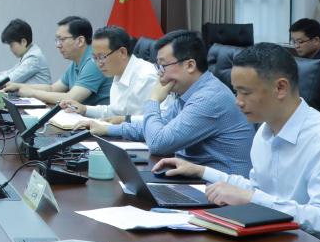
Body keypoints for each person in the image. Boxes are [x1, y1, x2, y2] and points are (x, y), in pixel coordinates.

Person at [154, 43, 320, 242]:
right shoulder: (264, 130)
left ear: (280, 88)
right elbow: (256, 189)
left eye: (245, 92)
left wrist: (251, 198)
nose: (238, 101)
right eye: (236, 91)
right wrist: (200, 171)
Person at [89, 30, 254, 176]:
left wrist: (153, 100)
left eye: (163, 66)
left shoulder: (209, 98)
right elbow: (159, 126)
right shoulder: (188, 92)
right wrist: (108, 129)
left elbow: (158, 144)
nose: (159, 74)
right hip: (195, 178)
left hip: (221, 190)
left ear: (190, 65)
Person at [61, 25, 162, 124]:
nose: (99, 64)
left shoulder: (146, 77)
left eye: (102, 57)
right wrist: (84, 109)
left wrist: (124, 120)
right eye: (95, 58)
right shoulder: (118, 71)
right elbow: (115, 111)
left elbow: (158, 120)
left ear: (122, 52)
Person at [4, 16, 111, 105]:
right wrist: (19, 86)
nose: (58, 45)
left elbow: (71, 98)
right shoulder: (76, 62)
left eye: (62, 39)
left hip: (98, 122)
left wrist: (32, 93)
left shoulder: (94, 62)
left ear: (80, 41)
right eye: (57, 40)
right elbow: (53, 88)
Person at [0, 18, 50, 85]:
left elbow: (10, 80)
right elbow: (10, 72)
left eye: (11, 45)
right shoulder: (29, 54)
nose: (10, 49)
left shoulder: (34, 59)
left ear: (23, 42)